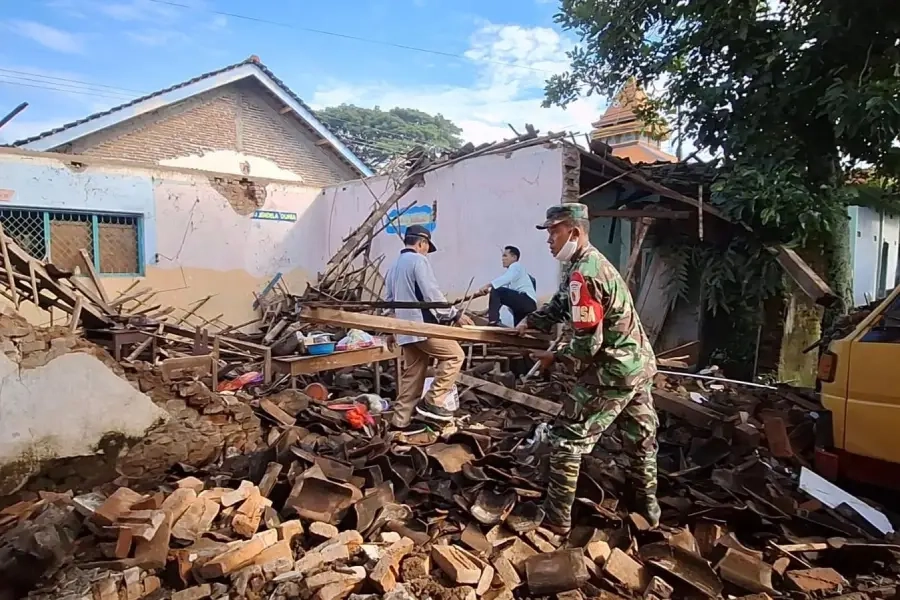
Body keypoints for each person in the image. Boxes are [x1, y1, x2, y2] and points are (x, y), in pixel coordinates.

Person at [516, 203, 660, 532]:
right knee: (640, 441)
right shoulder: (587, 264)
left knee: (567, 438)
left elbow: (587, 344)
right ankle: (648, 514)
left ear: (575, 232)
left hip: (612, 371)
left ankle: (556, 520)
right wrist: (533, 321)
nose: (549, 239)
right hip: (637, 365)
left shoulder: (585, 275)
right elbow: (560, 305)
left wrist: (556, 358)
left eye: (554, 232)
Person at [384, 224, 473, 431]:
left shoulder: (393, 266)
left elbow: (388, 302)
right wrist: (454, 314)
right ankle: (433, 400)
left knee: (412, 376)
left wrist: (390, 330)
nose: (426, 252)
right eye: (426, 247)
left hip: (403, 329)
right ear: (421, 243)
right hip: (422, 326)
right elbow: (431, 294)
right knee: (455, 355)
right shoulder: (418, 261)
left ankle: (400, 423)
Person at [476, 246, 537, 326]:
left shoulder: (516, 266)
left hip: (526, 301)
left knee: (496, 290)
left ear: (514, 257)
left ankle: (493, 321)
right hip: (525, 307)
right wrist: (485, 312)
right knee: (519, 328)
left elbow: (505, 279)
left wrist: (487, 286)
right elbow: (499, 300)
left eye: (505, 256)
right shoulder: (515, 275)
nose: (502, 259)